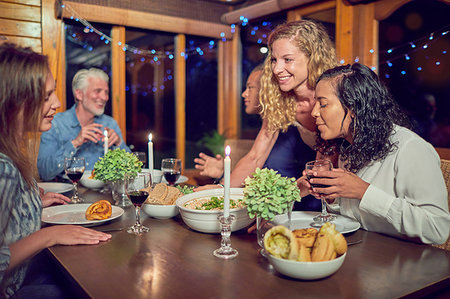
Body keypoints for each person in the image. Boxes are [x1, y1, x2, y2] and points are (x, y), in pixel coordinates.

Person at [0, 43, 111, 298]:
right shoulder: (3, 168)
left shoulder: (12, 152)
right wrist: (50, 235)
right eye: (47, 96)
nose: (57, 103)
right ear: (15, 100)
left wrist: (32, 204)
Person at [196, 20, 338, 211]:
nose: (277, 69)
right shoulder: (281, 99)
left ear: (313, 59)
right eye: (274, 60)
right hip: (296, 194)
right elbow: (255, 157)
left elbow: (322, 169)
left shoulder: (333, 99)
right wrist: (222, 190)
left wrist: (270, 206)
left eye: (287, 59)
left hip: (330, 202)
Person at [303, 63, 449, 244]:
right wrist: (334, 199)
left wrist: (364, 192)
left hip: (405, 263)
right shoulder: (348, 147)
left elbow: (437, 229)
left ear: (354, 108)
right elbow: (358, 219)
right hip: (366, 255)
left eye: (323, 104)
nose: (314, 112)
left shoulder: (410, 148)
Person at [195, 64, 315, 183]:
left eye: (250, 87)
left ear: (267, 89)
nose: (244, 94)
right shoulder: (269, 127)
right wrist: (223, 174)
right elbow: (256, 185)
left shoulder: (291, 127)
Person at [37, 67, 130, 181]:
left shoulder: (110, 124)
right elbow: (44, 173)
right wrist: (75, 143)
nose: (104, 97)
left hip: (104, 195)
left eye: (106, 92)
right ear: (79, 94)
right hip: (67, 195)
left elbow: (131, 171)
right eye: (98, 91)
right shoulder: (55, 124)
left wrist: (118, 143)